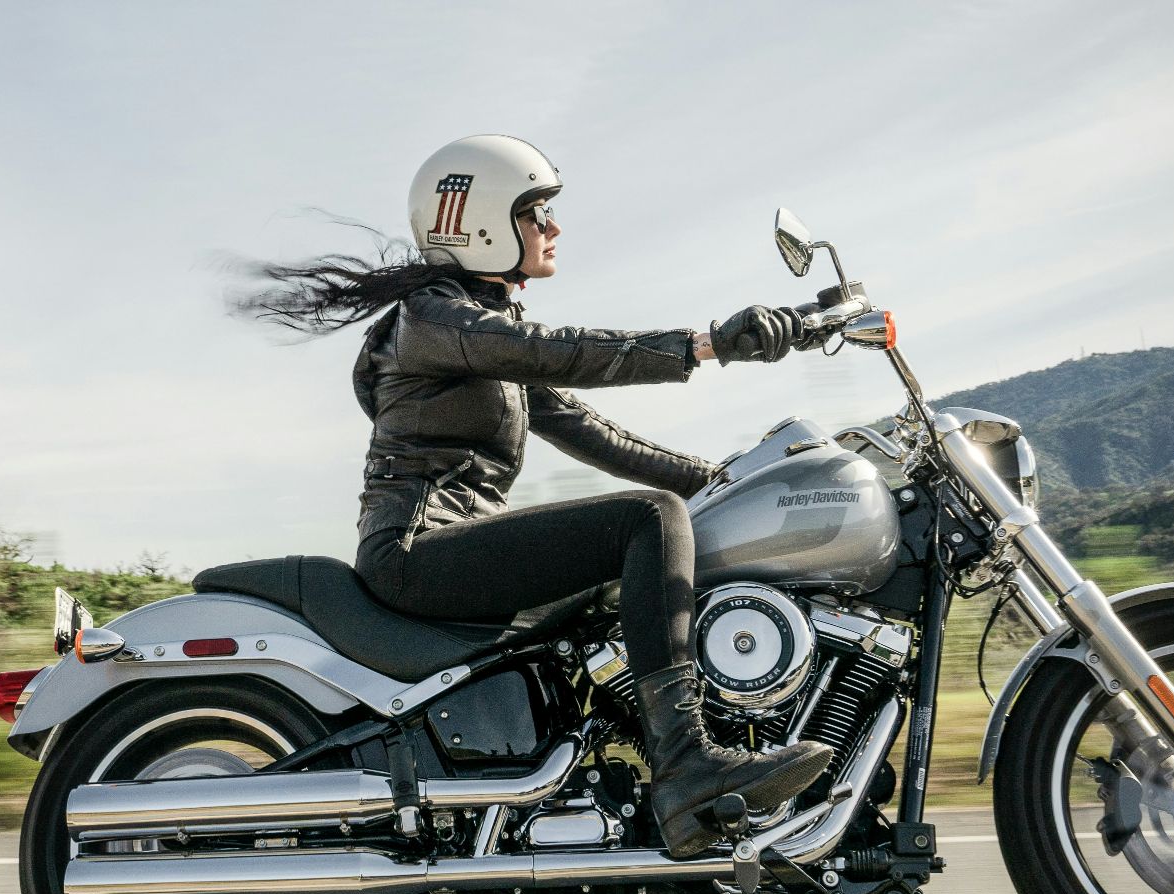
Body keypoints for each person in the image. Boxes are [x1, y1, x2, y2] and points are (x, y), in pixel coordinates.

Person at [244, 134, 832, 857]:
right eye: (537, 214)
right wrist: (705, 343)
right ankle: (686, 767)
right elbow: (559, 351)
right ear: (483, 223)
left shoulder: (479, 332)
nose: (553, 229)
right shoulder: (437, 319)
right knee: (646, 520)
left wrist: (728, 481)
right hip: (417, 551)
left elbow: (595, 434)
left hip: (453, 543)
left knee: (647, 542)